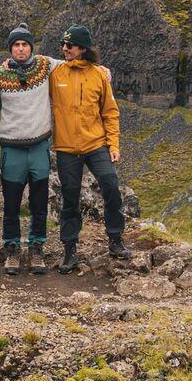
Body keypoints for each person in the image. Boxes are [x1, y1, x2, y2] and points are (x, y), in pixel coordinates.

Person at [49, 24, 126, 273]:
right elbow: (33, 61)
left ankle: (115, 239)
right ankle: (69, 251)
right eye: (63, 44)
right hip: (66, 147)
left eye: (69, 45)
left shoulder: (99, 76)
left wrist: (113, 144)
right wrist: (8, 65)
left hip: (96, 144)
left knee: (111, 186)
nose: (64, 48)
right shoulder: (55, 73)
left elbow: (110, 112)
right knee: (70, 198)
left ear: (82, 48)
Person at [0, 25, 55, 273]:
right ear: (10, 49)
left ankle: (37, 248)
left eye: (24, 44)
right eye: (16, 45)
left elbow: (74, 63)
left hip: (39, 147)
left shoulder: (45, 67)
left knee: (39, 203)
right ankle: (12, 250)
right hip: (12, 149)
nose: (20, 48)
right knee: (11, 204)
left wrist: (100, 68)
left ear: (31, 47)